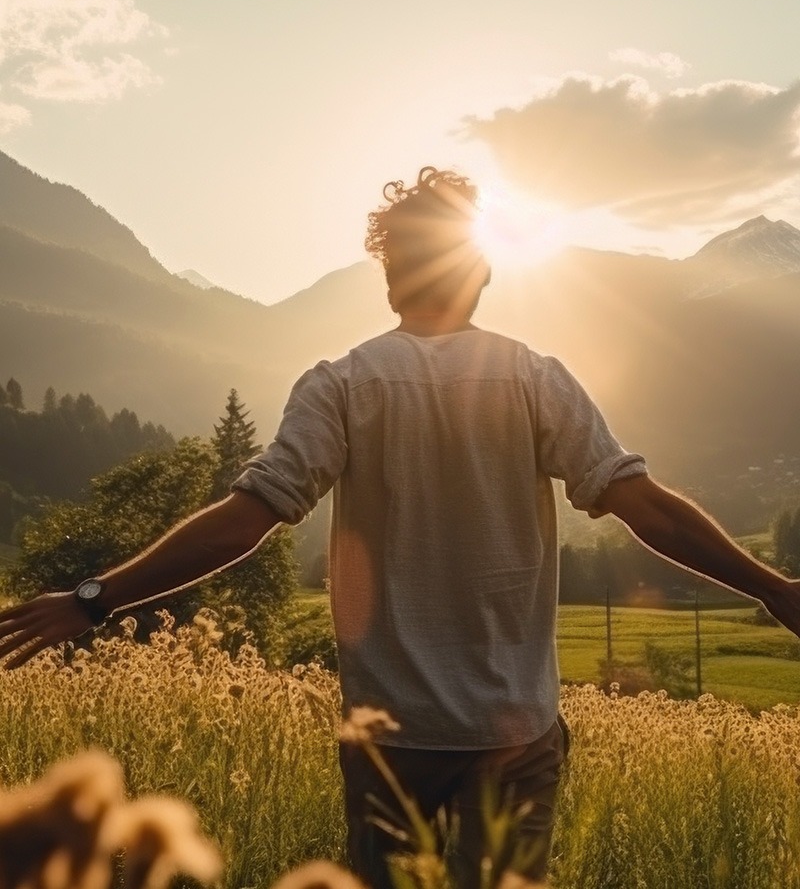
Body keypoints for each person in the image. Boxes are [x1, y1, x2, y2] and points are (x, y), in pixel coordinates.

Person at [1, 166, 800, 887]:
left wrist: (96, 597)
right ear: (482, 271)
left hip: (390, 742)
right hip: (513, 736)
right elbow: (644, 505)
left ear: (388, 279)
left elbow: (242, 524)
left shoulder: (341, 387)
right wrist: (771, 588)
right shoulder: (534, 379)